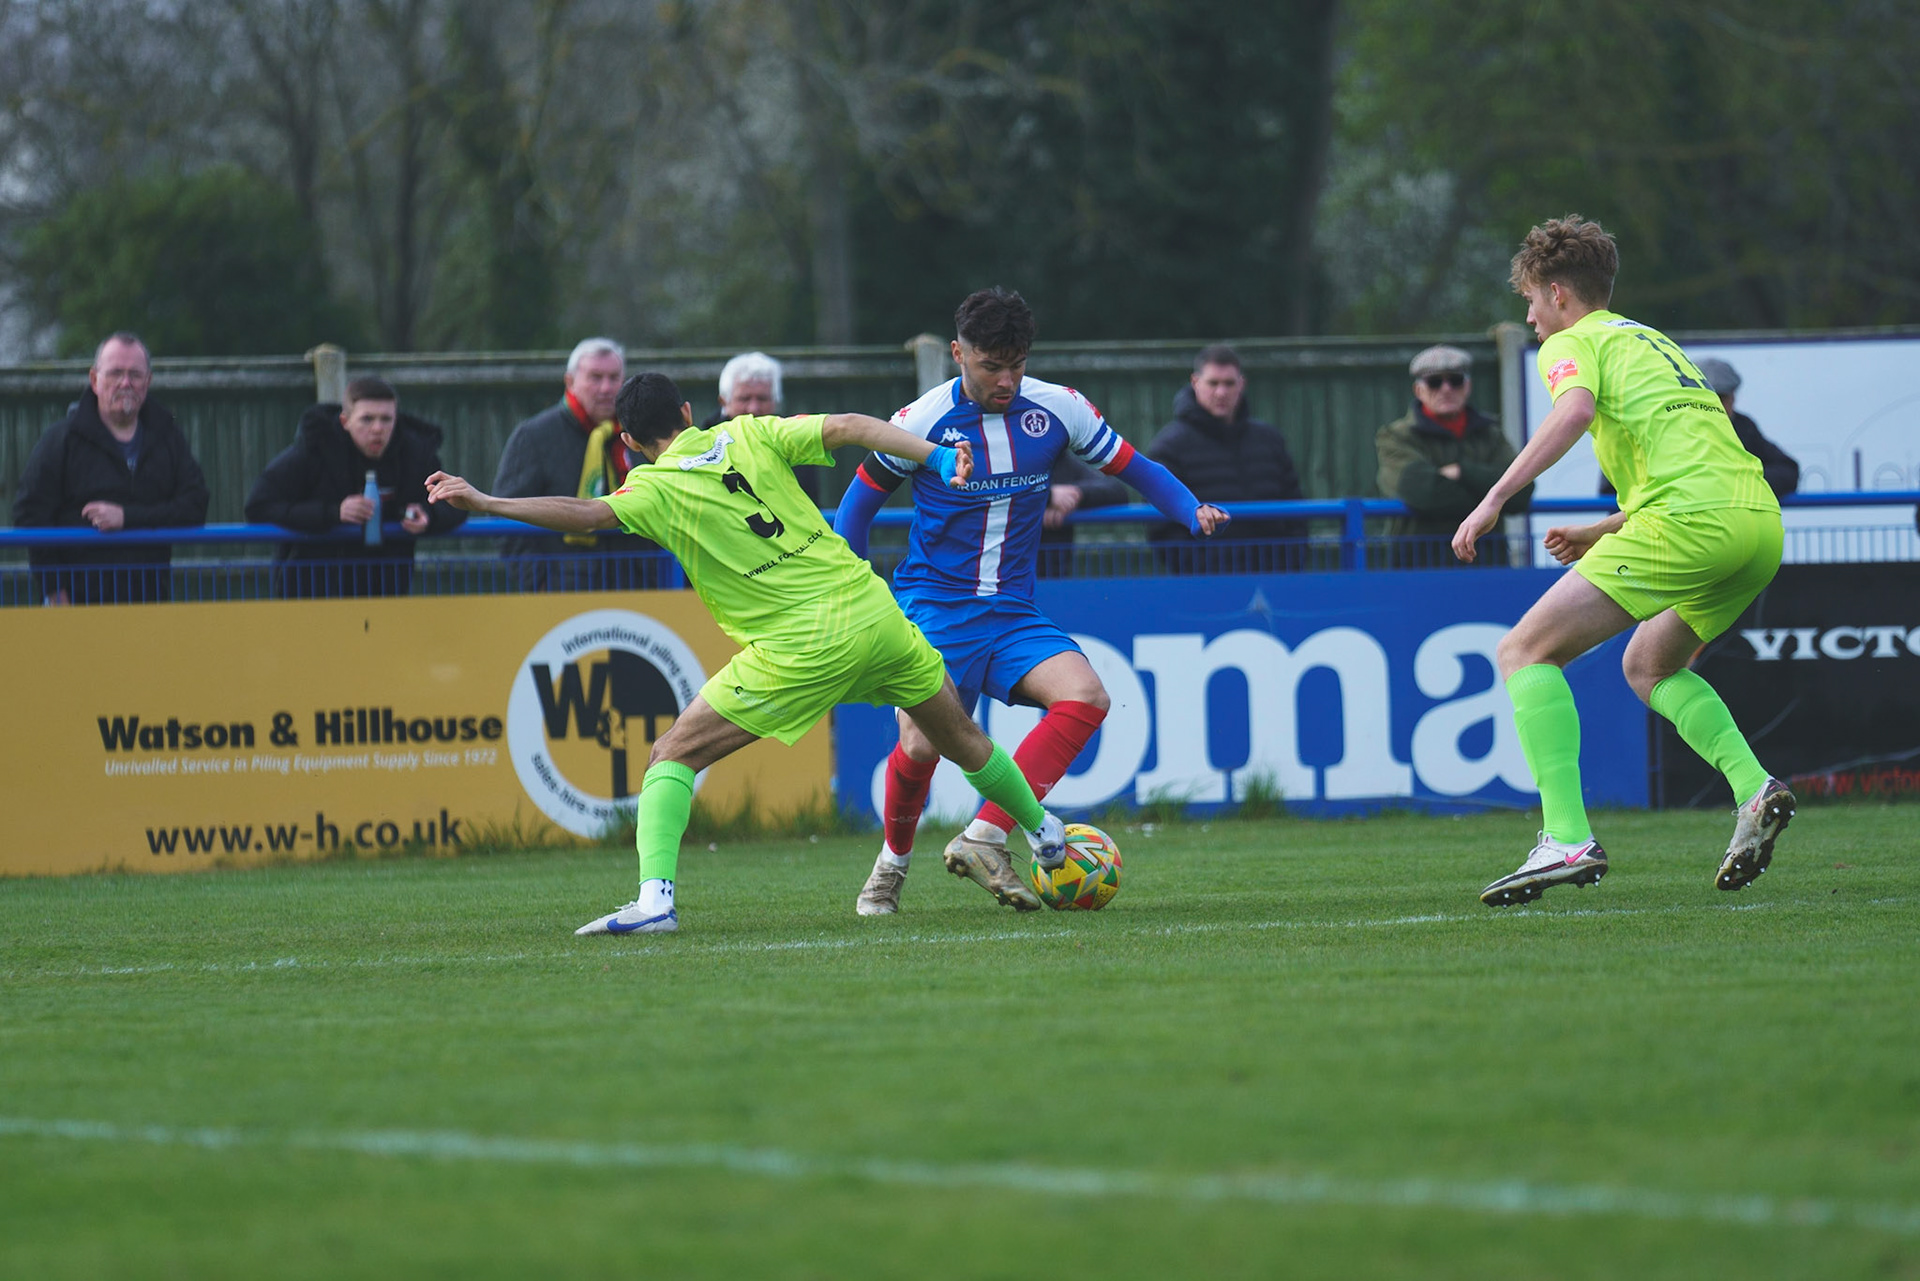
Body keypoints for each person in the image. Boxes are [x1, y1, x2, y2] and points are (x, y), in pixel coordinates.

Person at [425, 372, 1071, 936]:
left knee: (671, 753)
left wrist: (486, 501)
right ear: (688, 412)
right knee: (961, 736)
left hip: (802, 644)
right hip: (877, 613)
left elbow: (585, 514)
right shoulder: (750, 431)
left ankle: (654, 902)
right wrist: (937, 454)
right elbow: (849, 426)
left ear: (629, 442)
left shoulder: (652, 487)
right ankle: (1045, 834)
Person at [834, 288, 1228, 915]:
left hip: (1013, 613)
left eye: (1017, 364)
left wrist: (1189, 508)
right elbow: (855, 510)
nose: (1007, 380)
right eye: (991, 365)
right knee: (919, 746)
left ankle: (984, 835)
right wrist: (860, 601)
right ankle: (892, 864)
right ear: (959, 353)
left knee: (1086, 697)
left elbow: (1134, 466)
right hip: (934, 610)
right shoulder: (920, 421)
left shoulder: (1058, 408)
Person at [1452, 215, 1794, 907]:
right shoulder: (1651, 340)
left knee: (1524, 650)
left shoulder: (1572, 341)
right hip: (1757, 525)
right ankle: (1754, 788)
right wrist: (1605, 528)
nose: (1531, 317)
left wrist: (1493, 498)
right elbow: (1692, 467)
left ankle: (1566, 838)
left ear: (1558, 293)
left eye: (1531, 301)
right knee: (1649, 665)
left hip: (1689, 524)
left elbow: (1573, 412)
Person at [12, 332, 208, 604]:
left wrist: (126, 518)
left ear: (148, 382)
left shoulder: (169, 438)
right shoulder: (61, 440)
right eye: (115, 373)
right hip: (77, 606)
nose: (125, 383)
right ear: (94, 380)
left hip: (150, 605)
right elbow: (30, 515)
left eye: (135, 375)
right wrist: (54, 590)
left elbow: (195, 506)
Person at [245, 375, 466, 597]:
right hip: (312, 593)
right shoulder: (314, 449)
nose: (377, 428)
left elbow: (456, 504)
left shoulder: (415, 452)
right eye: (367, 419)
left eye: (386, 419)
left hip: (386, 593)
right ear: (345, 422)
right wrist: (333, 513)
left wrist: (428, 515)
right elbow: (258, 505)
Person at [492, 338, 661, 591]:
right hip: (565, 591)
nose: (606, 388)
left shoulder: (641, 433)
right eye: (595, 377)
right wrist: (540, 582)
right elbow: (505, 515)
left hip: (639, 588)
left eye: (614, 378)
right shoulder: (534, 436)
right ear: (570, 382)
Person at [1146, 344, 1307, 572]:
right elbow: (1160, 525)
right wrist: (1202, 570)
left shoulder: (1270, 441)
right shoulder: (1170, 446)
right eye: (1213, 383)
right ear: (1195, 382)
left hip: (1273, 578)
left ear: (1242, 384)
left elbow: (1296, 511)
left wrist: (1288, 564)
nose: (1221, 392)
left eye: (1229, 383)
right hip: (1207, 583)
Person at [1376, 345, 1531, 567]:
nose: (1446, 389)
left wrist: (1461, 471)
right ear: (1418, 390)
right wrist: (1492, 499)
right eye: (1434, 382)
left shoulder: (1490, 434)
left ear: (1468, 386)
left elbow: (1521, 492)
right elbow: (1421, 492)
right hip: (1419, 567)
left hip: (1486, 565)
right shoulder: (1396, 436)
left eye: (1455, 380)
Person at [1599, 357, 1799, 501]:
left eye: (1721, 398)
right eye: (1706, 398)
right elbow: (1614, 487)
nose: (1715, 406)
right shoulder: (1658, 426)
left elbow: (1787, 470)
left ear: (1733, 397)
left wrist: (1734, 483)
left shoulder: (1743, 427)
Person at [702, 351, 825, 505]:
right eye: (744, 398)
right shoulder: (703, 447)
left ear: (776, 401)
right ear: (723, 401)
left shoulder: (796, 444)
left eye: (762, 399)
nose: (753, 408)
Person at [1038, 450, 1129, 578]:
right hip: (1012, 575)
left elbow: (1117, 491)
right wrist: (1048, 497)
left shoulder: (1057, 457)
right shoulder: (1011, 457)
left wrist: (1074, 495)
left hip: (1054, 576)